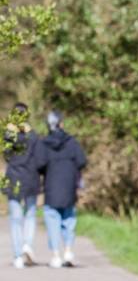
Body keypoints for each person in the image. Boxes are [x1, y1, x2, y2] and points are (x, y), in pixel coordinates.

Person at [3, 103, 47, 268]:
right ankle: (27, 244)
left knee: (15, 219)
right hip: (31, 180)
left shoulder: (9, 136)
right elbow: (42, 160)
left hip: (14, 179)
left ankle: (17, 256)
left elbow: (6, 156)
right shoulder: (34, 137)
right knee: (30, 215)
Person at [41, 110, 87, 268]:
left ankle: (55, 255)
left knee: (52, 221)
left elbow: (39, 165)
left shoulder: (44, 143)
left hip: (51, 188)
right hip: (69, 187)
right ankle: (68, 250)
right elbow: (82, 161)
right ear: (61, 123)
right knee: (69, 220)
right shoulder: (72, 142)